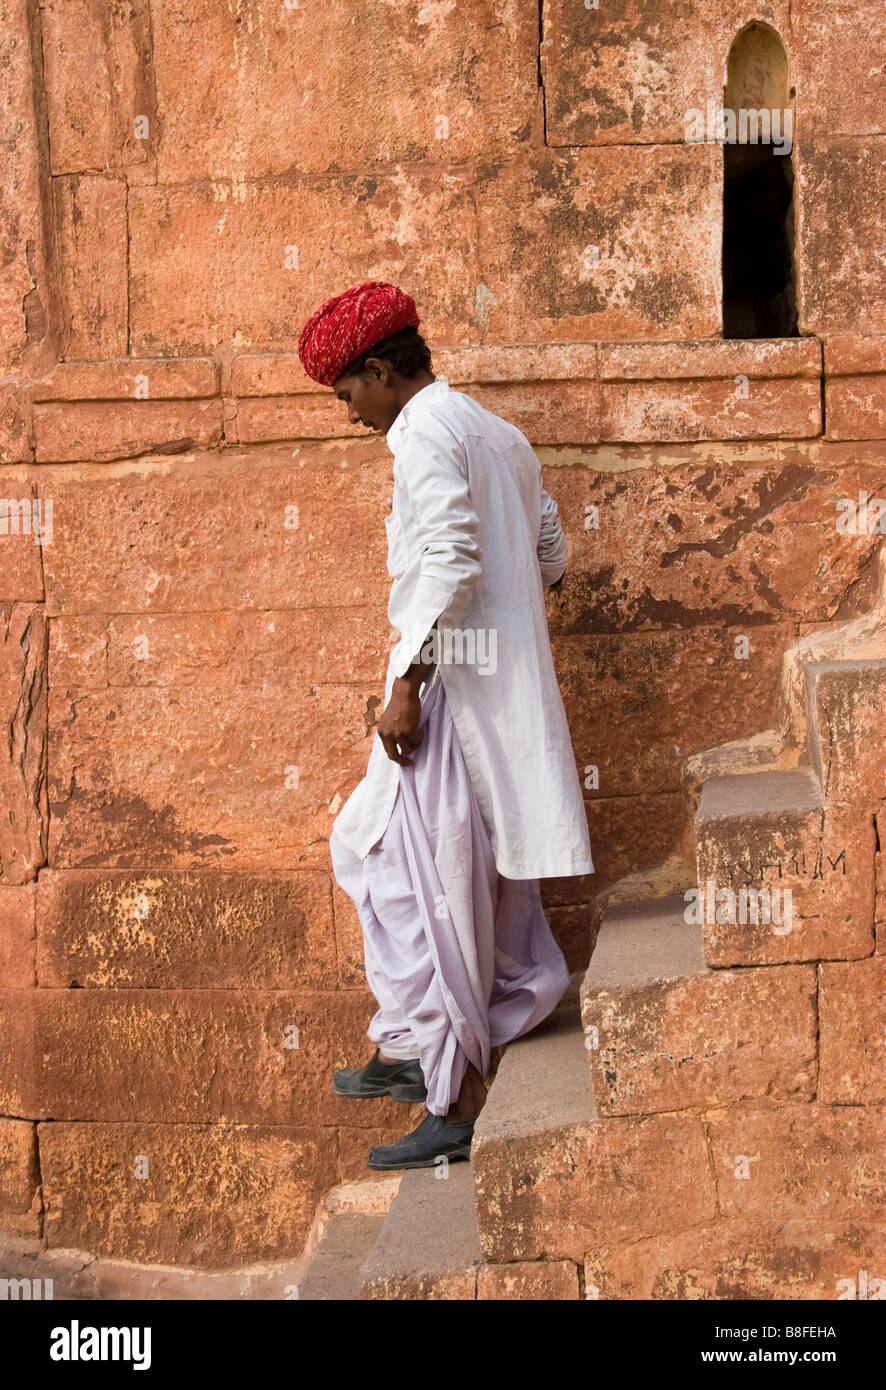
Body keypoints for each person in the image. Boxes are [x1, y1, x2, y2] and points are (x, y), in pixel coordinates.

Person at [297, 281, 594, 1170]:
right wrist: (498, 632)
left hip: (448, 702)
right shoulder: (498, 433)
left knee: (416, 881)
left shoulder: (422, 431)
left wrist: (410, 687)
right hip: (483, 690)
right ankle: (408, 1051)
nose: (351, 416)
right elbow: (550, 553)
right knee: (418, 867)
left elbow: (453, 559)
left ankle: (450, 1095)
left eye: (349, 394)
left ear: (381, 372)